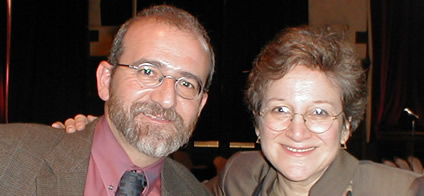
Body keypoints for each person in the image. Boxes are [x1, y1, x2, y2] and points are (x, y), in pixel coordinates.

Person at [55, 26, 424, 195]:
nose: (298, 131)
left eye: (319, 113)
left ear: (347, 127)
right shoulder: (242, 178)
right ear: (258, 123)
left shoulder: (402, 191)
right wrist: (101, 134)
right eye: (280, 109)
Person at [0, 4, 214, 195]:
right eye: (148, 72)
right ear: (106, 80)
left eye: (186, 83)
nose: (167, 99)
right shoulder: (8, 157)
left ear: (201, 105)